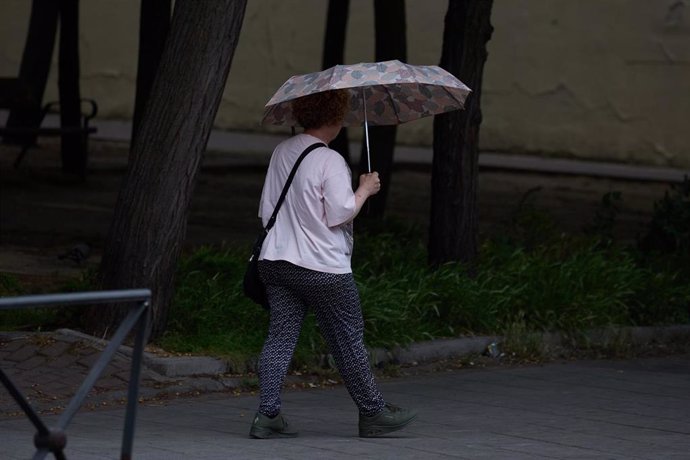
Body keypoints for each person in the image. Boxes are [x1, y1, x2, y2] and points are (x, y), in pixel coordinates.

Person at [249, 89, 417, 439]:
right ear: (335, 119)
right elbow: (339, 213)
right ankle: (372, 413)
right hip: (322, 268)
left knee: (280, 337)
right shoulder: (330, 160)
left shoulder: (282, 151)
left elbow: (266, 209)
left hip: (276, 262)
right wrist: (366, 189)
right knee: (348, 339)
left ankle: (267, 415)